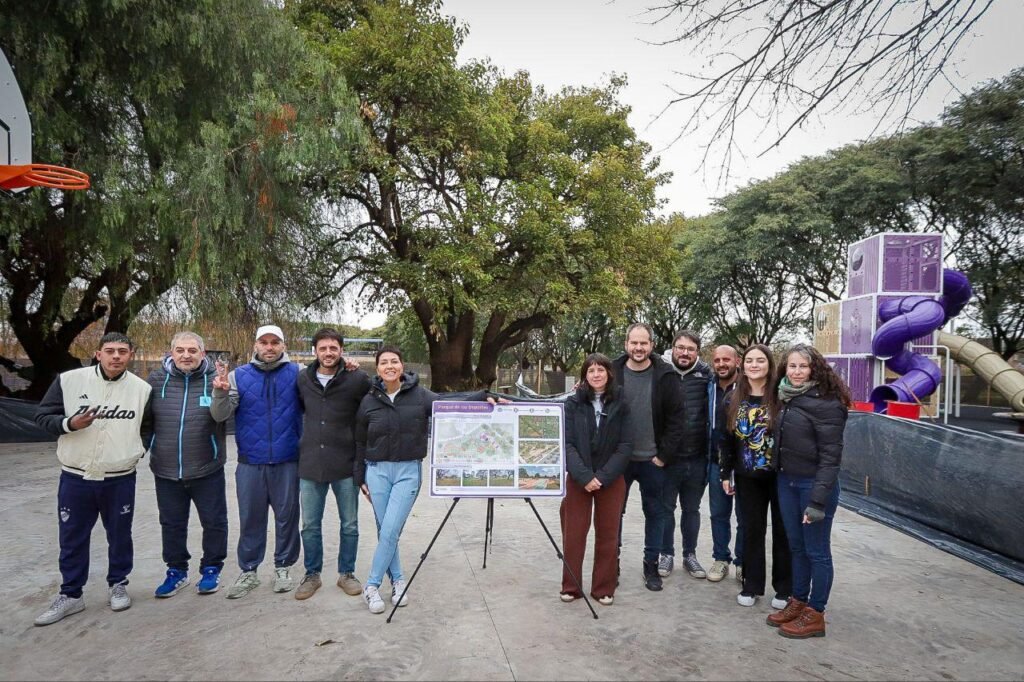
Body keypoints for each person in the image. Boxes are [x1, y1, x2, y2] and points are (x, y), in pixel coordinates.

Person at [353, 346, 493, 614]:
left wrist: (483, 396)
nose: (390, 366)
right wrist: (360, 475)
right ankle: (398, 581)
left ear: (402, 366)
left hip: (408, 472)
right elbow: (360, 440)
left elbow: (450, 403)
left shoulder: (419, 396)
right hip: (376, 471)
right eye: (384, 362)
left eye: (395, 361)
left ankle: (371, 585)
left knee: (391, 528)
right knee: (386, 530)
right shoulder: (368, 400)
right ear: (378, 369)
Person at [32, 332, 153, 626]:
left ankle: (118, 585)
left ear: (130, 355)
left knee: (120, 535)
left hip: (119, 478)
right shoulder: (69, 380)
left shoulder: (142, 389)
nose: (116, 357)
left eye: (122, 351)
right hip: (76, 477)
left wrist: (136, 452)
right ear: (98, 354)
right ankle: (71, 594)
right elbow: (42, 416)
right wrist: (69, 423)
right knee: (72, 538)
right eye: (109, 351)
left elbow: (148, 427)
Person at [211, 324, 302, 599]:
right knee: (251, 518)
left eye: (275, 342)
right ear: (256, 346)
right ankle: (249, 571)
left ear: (283, 346)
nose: (270, 347)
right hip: (250, 462)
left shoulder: (298, 374)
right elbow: (219, 415)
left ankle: (283, 567)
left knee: (287, 518)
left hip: (288, 460)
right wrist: (220, 392)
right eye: (264, 342)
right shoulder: (239, 376)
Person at [767, 344, 850, 638]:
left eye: (803, 366)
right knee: (796, 547)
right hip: (786, 482)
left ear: (814, 369)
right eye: (792, 366)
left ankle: (816, 613)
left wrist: (817, 501)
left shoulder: (829, 404)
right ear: (785, 370)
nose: (798, 372)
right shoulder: (786, 398)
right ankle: (798, 601)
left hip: (813, 487)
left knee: (817, 551)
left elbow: (831, 458)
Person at [147, 332, 230, 598]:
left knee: (214, 522)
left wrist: (219, 391)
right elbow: (146, 421)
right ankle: (176, 571)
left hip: (207, 467)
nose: (186, 355)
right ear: (171, 352)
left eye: (192, 351)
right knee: (171, 523)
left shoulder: (214, 380)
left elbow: (222, 416)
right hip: (166, 469)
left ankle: (211, 569)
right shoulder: (156, 380)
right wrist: (148, 447)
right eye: (180, 350)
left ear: (202, 354)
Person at [294, 328, 371, 600]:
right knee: (310, 525)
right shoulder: (302, 378)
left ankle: (346, 573)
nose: (328, 353)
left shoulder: (358, 379)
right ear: (315, 350)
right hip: (311, 463)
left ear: (342, 350)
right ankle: (312, 574)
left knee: (349, 523)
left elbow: (379, 399)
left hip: (346, 463)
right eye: (323, 348)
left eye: (333, 348)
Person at [612, 323, 685, 592]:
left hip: (653, 461)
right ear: (626, 344)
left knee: (655, 513)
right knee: (614, 514)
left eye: (644, 343)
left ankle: (651, 565)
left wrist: (663, 456)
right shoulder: (612, 372)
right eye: (634, 343)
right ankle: (612, 564)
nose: (639, 348)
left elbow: (678, 420)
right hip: (619, 460)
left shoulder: (666, 375)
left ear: (652, 345)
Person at [719, 344, 791, 609]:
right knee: (751, 531)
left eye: (760, 360)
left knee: (783, 532)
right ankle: (751, 585)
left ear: (769, 365)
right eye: (749, 360)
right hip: (747, 477)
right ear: (742, 364)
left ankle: (784, 589)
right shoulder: (732, 398)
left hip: (780, 475)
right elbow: (725, 439)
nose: (754, 365)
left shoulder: (782, 397)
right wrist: (725, 473)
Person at [560, 353, 633, 606]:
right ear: (585, 376)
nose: (596, 374)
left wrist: (601, 477)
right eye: (590, 371)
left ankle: (603, 588)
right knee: (574, 534)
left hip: (610, 479)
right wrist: (584, 476)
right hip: (579, 479)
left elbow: (625, 446)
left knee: (608, 535)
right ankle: (571, 586)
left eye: (600, 369)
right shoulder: (572, 405)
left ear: (609, 374)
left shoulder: (622, 404)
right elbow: (567, 444)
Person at [658, 330, 715, 580]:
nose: (685, 353)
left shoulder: (707, 376)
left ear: (697, 352)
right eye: (680, 347)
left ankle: (689, 555)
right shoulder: (660, 372)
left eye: (690, 349)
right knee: (665, 509)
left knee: (691, 510)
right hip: (668, 458)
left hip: (697, 457)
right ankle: (665, 554)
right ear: (673, 348)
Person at [707, 344, 744, 583]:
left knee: (744, 516)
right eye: (717, 360)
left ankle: (743, 562)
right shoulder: (706, 385)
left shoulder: (748, 386)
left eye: (726, 360)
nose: (722, 364)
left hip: (743, 464)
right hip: (715, 461)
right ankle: (721, 559)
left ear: (737, 361)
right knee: (719, 513)